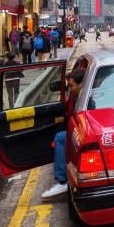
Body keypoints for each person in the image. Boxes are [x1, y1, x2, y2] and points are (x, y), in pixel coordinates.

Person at [41, 67, 86, 199]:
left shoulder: (88, 97)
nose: (69, 90)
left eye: (71, 86)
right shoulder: (77, 95)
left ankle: (63, 181)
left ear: (81, 84)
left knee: (60, 138)